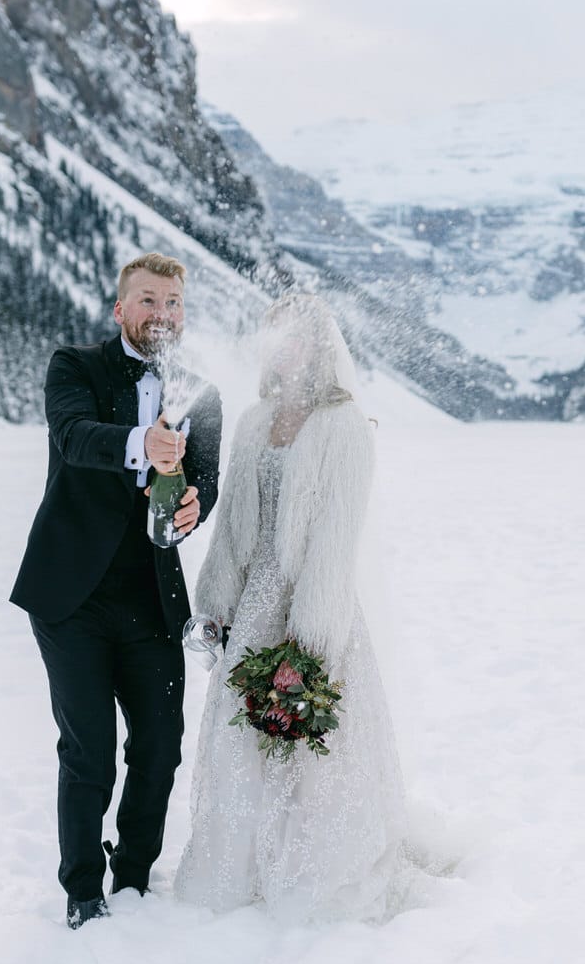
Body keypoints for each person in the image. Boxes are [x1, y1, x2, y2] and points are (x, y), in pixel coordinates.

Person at [174, 292, 411, 921]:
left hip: (313, 602)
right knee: (239, 734)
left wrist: (309, 648)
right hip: (255, 599)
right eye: (274, 335)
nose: (284, 347)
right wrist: (218, 604)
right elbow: (231, 528)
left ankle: (312, 866)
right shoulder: (255, 420)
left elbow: (335, 542)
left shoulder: (345, 427)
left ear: (320, 346)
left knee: (311, 746)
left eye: (296, 336)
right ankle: (243, 864)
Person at [10, 252, 222, 928]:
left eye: (174, 304)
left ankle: (132, 873)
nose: (163, 314)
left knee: (160, 744)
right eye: (150, 300)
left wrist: (195, 504)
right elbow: (74, 437)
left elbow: (206, 476)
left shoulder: (201, 387)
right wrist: (141, 444)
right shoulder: (74, 365)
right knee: (90, 748)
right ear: (121, 309)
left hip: (152, 598)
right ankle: (82, 889)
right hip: (71, 596)